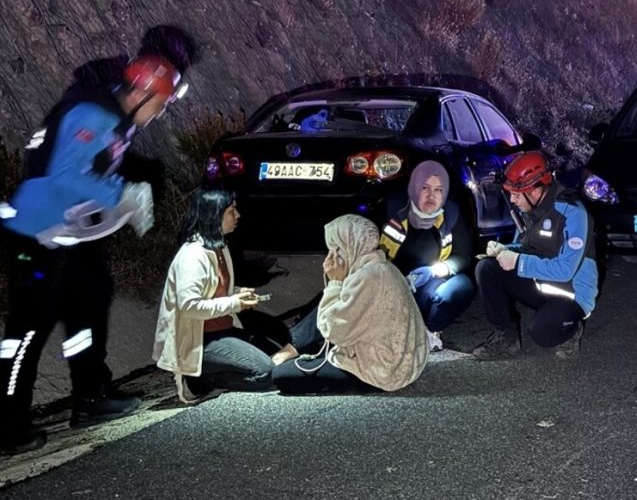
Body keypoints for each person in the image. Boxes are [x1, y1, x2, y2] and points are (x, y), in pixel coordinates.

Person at [0, 26, 195, 455]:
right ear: (143, 93)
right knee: (26, 334)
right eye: (160, 105)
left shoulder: (115, 117)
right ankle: (6, 424)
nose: (160, 114)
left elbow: (92, 171)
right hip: (37, 234)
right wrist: (121, 195)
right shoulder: (94, 116)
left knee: (90, 301)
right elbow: (65, 176)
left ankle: (91, 397)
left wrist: (126, 197)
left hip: (67, 234)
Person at [152, 189, 297, 404]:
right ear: (214, 214)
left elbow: (214, 291)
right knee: (268, 373)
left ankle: (218, 371)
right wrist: (235, 303)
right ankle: (202, 378)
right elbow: (190, 306)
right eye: (231, 210)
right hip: (200, 339)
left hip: (224, 329)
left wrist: (238, 293)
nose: (237, 215)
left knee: (278, 355)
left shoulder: (220, 248)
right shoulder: (193, 255)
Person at [273, 215, 428, 394]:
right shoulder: (381, 266)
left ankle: (291, 353)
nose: (331, 254)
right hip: (400, 362)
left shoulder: (368, 277)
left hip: (382, 371)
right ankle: (292, 347)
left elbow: (333, 331)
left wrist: (335, 283)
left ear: (345, 247)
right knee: (325, 306)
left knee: (281, 375)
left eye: (334, 248)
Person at [472, 151, 598, 360]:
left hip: (572, 293)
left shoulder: (573, 212)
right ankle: (506, 337)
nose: (512, 199)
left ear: (536, 189)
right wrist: (506, 249)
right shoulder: (532, 209)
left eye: (516, 193)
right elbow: (527, 247)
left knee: (542, 333)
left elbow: (566, 270)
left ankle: (572, 327)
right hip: (543, 283)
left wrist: (518, 261)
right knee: (487, 267)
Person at [379, 161, 475, 352]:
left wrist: (434, 271)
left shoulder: (452, 214)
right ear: (414, 187)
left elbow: (464, 255)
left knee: (460, 287)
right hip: (391, 284)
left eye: (439, 190)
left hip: (429, 283)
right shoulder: (392, 208)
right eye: (425, 188)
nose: (432, 196)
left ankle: (429, 331)